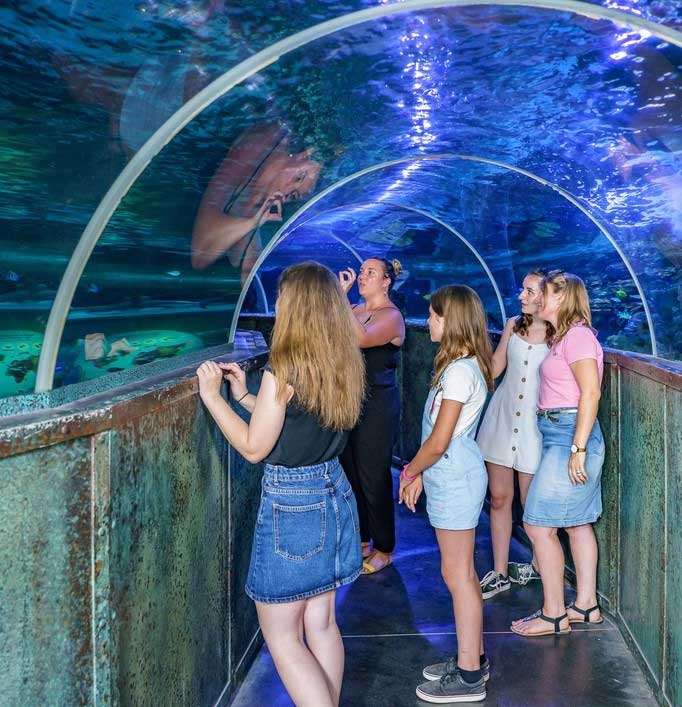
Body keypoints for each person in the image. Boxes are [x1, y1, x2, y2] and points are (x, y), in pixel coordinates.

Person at [196, 261, 364, 707]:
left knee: (283, 637)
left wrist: (213, 399)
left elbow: (255, 448)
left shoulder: (284, 367)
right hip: (333, 492)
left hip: (294, 504)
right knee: (322, 623)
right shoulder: (342, 359)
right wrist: (247, 398)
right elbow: (297, 425)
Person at [398, 285, 494, 704]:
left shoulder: (459, 372)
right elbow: (438, 438)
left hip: (455, 477)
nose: (429, 322)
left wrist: (409, 471)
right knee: (462, 575)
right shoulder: (461, 364)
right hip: (450, 474)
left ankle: (470, 677)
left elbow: (438, 442)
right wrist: (420, 474)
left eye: (435, 316)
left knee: (457, 577)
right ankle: (471, 657)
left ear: (451, 320)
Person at [511, 270, 605, 637]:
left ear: (562, 299)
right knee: (577, 523)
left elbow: (591, 393)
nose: (536, 298)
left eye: (544, 293)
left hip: (570, 435)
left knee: (536, 524)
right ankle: (587, 605)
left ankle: (554, 614)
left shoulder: (578, 337)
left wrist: (577, 449)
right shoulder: (565, 337)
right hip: (560, 432)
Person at [476, 269, 554, 598]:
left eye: (529, 290)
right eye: (522, 290)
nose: (521, 295)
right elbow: (495, 367)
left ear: (546, 296)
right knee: (499, 499)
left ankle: (538, 564)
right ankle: (499, 571)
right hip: (502, 420)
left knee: (531, 503)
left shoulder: (559, 335)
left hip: (534, 430)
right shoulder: (512, 325)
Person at [337, 258, 406, 574]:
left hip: (377, 406)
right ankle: (363, 539)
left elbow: (362, 339)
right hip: (351, 402)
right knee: (350, 471)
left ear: (386, 282)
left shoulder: (391, 316)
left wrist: (341, 300)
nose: (362, 276)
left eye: (370, 273)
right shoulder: (353, 311)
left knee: (373, 476)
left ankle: (384, 546)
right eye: (362, 271)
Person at [191, 123, 322, 282]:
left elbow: (248, 272)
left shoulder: (255, 207)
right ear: (303, 155)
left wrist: (254, 223)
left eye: (293, 195)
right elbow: (200, 252)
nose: (286, 191)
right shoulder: (268, 138)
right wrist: (251, 223)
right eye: (298, 178)